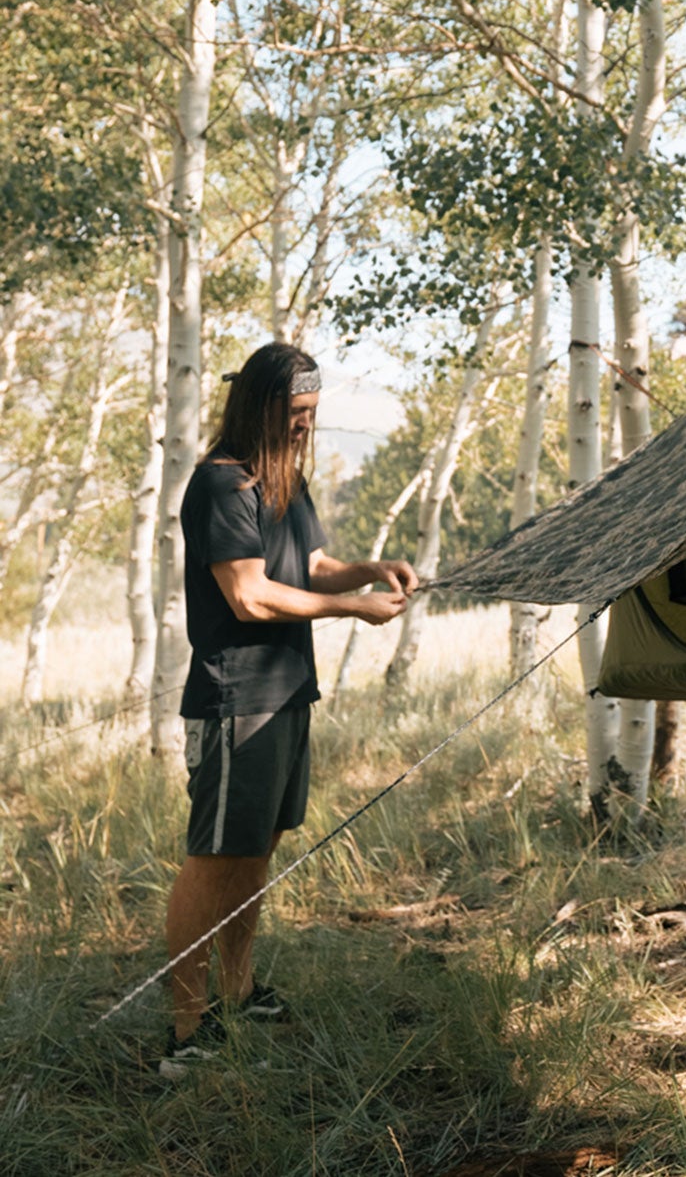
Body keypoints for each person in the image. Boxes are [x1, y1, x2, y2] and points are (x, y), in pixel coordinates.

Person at [160, 342, 416, 1077]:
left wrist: (369, 570)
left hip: (286, 694)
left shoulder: (284, 479)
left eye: (312, 413)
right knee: (214, 860)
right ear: (261, 406)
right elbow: (250, 593)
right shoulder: (222, 485)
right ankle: (186, 1030)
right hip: (234, 701)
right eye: (295, 414)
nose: (305, 426)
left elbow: (307, 566)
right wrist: (351, 609)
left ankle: (238, 993)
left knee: (258, 852)